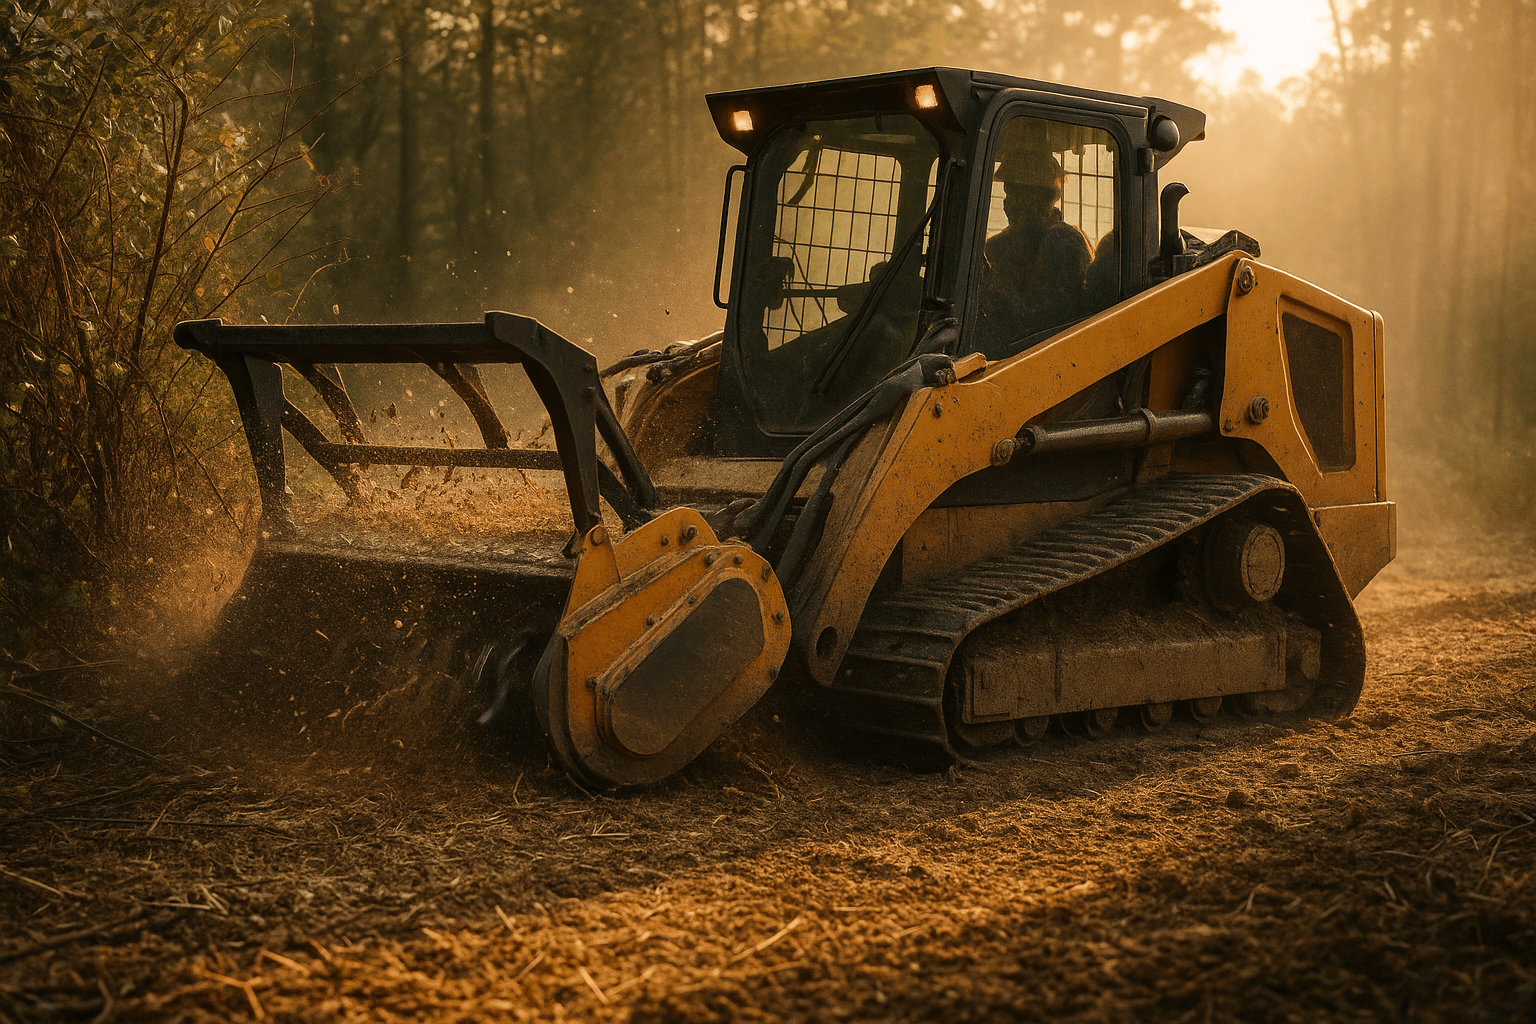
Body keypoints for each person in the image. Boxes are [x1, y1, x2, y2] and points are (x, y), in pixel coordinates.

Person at [977, 135, 1092, 356]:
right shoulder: (999, 245)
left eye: (1015, 193)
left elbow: (1038, 319)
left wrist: (990, 283)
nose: (1007, 203)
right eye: (1007, 193)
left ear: (1040, 195)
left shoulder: (1062, 242)